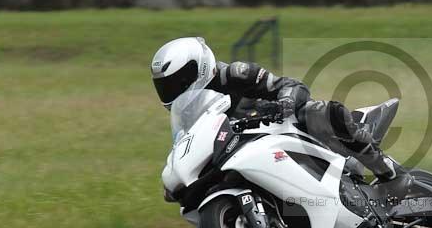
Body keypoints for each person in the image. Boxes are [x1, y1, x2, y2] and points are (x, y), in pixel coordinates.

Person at [150, 36, 412, 189]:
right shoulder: (188, 112)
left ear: (200, 66)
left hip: (285, 129)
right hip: (249, 154)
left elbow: (291, 85)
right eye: (166, 86)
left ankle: (389, 172)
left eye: (180, 80)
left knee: (320, 112)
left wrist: (285, 103)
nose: (175, 90)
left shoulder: (236, 74)